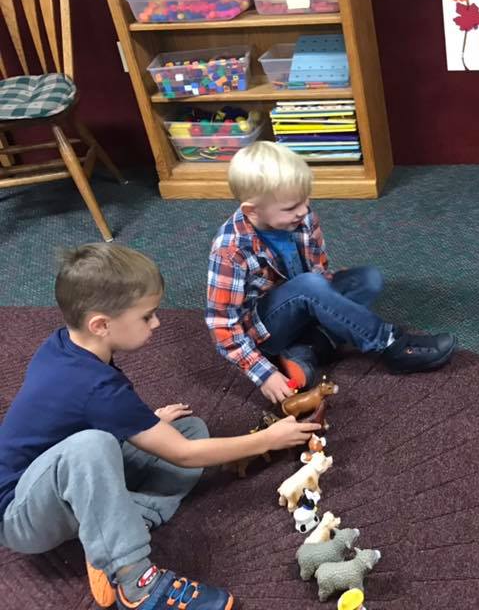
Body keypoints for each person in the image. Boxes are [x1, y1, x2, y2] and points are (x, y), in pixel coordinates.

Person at [0, 243, 322, 608]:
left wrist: (147, 425)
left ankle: (107, 535)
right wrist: (267, 439)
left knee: (190, 428)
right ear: (101, 325)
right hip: (18, 513)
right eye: (146, 316)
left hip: (60, 477)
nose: (156, 323)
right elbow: (182, 456)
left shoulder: (65, 345)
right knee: (102, 446)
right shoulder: (93, 385)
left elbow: (82, 416)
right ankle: (136, 585)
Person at [206, 141, 457, 404]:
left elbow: (318, 269)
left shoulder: (302, 217)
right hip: (266, 330)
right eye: (292, 207)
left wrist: (330, 296)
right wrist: (262, 373)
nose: (303, 211)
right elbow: (222, 325)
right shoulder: (230, 250)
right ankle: (391, 345)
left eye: (306, 199)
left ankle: (306, 348)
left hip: (304, 300)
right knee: (310, 287)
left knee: (367, 280)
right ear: (252, 210)